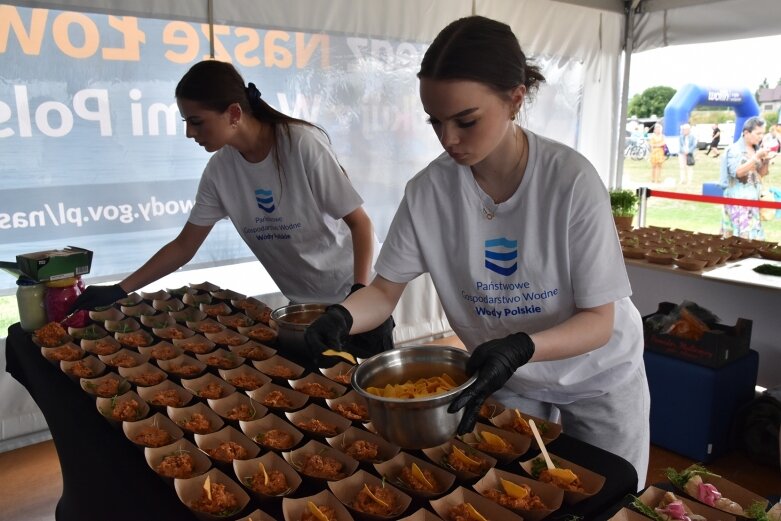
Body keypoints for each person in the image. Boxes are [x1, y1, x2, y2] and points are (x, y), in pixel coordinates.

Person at [306, 15, 650, 488]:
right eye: (436, 122)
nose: (448, 140)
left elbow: (598, 320)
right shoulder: (429, 191)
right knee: (514, 491)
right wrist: (342, 317)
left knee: (608, 494)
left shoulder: (568, 180)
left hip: (597, 375)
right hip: (504, 379)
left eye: (466, 121)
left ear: (515, 98)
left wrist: (523, 346)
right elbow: (386, 291)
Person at [72, 60, 393, 365]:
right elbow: (184, 246)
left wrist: (357, 295)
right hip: (303, 310)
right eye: (186, 123)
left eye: (196, 122)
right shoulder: (220, 171)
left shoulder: (300, 145)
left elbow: (360, 224)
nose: (189, 134)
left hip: (353, 304)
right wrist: (120, 289)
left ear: (234, 113)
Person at [720, 116, 772, 239]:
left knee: (754, 235)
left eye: (762, 134)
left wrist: (766, 161)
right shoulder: (734, 150)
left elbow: (761, 174)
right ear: (746, 133)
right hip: (737, 200)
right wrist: (755, 158)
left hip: (753, 199)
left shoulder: (757, 149)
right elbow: (737, 172)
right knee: (738, 237)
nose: (761, 137)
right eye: (758, 133)